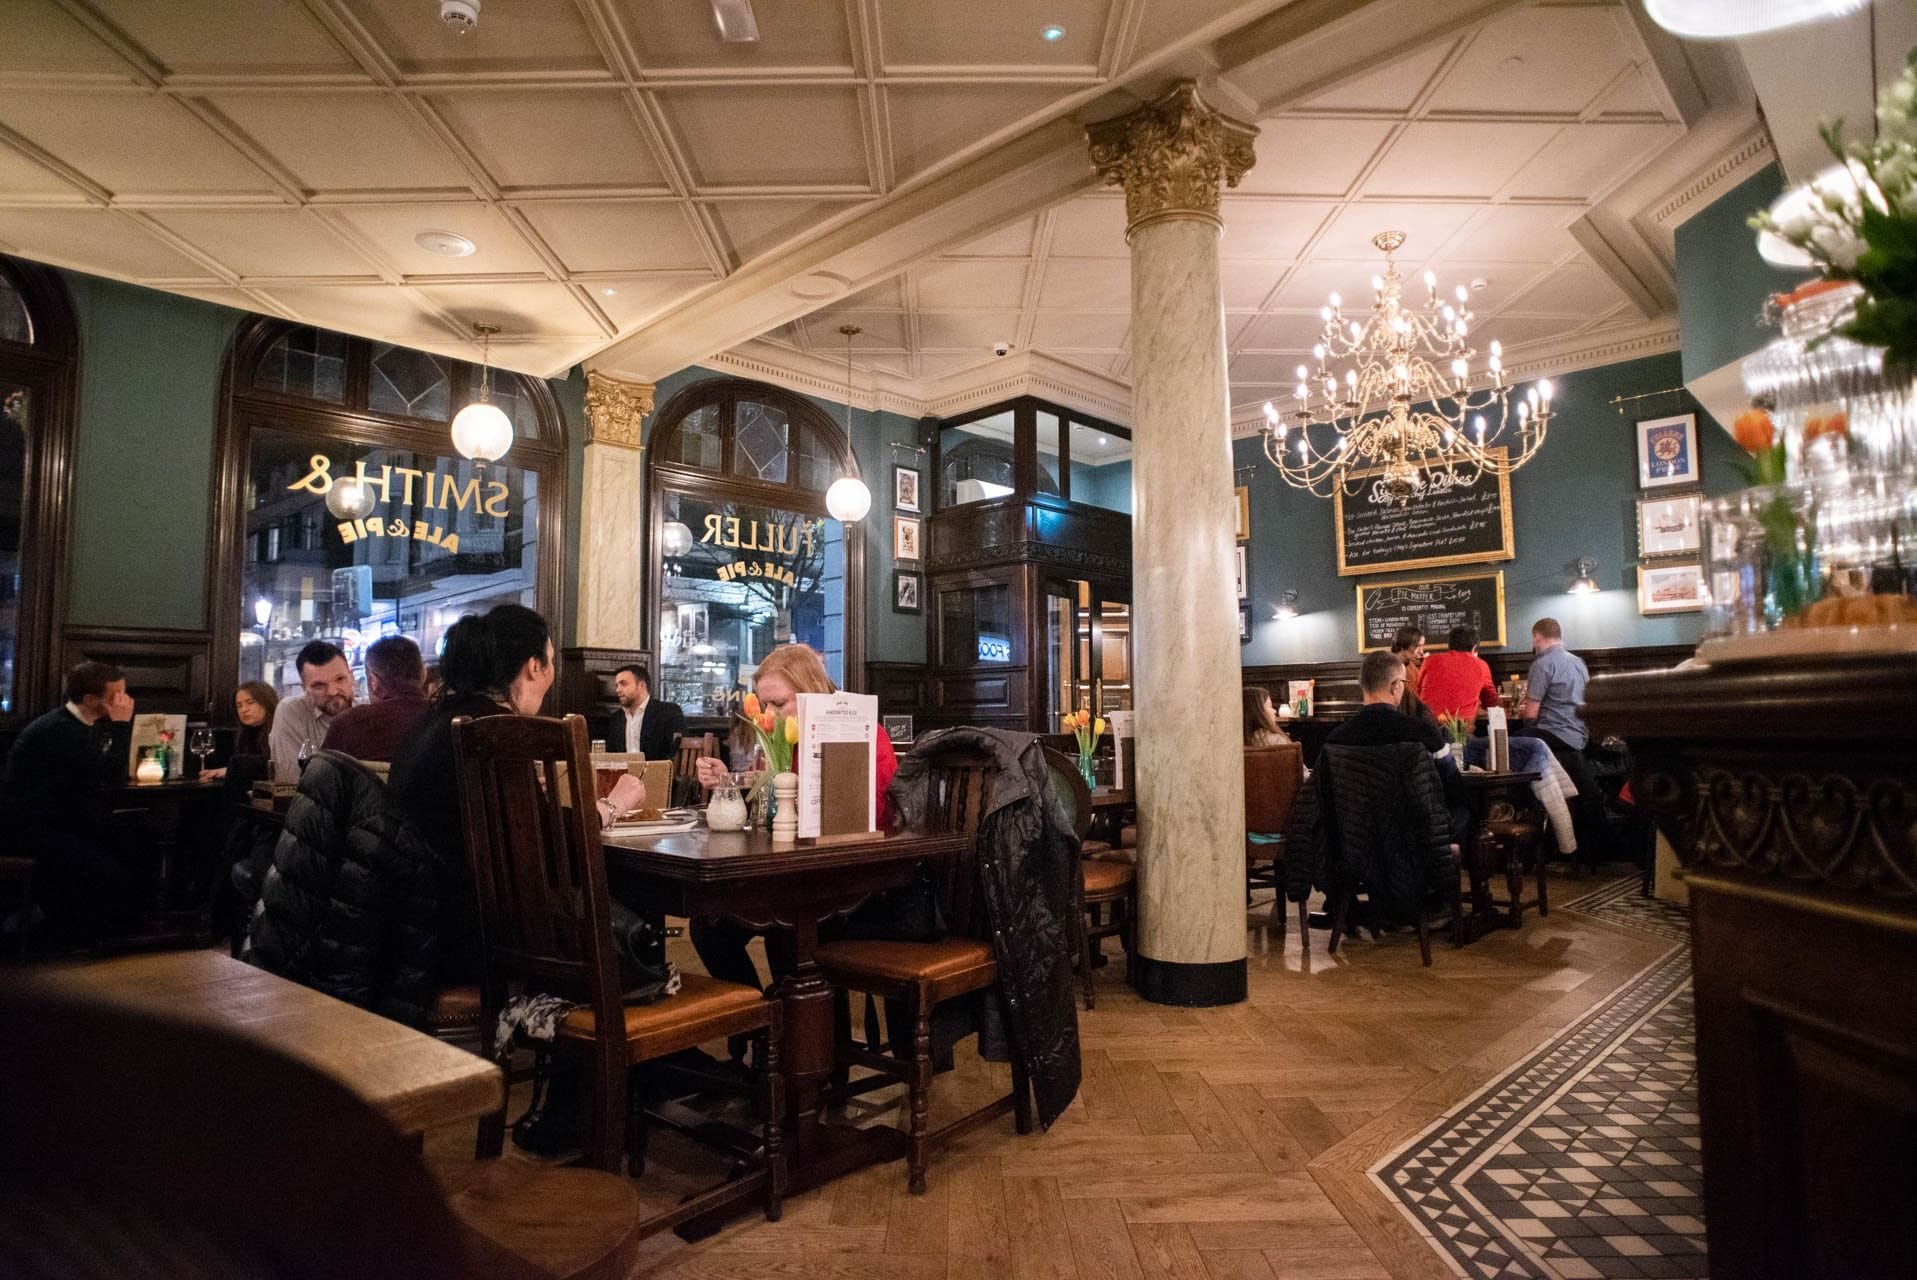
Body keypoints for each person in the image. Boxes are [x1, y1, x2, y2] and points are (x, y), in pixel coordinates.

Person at [691, 644, 898, 993]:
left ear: (811, 693)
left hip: (855, 878)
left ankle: (792, 1013)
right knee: (709, 925)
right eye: (765, 704)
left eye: (779, 703)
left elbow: (877, 816)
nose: (769, 714)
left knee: (785, 927)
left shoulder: (861, 733)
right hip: (795, 875)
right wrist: (728, 780)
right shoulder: (785, 742)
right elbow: (768, 802)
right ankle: (760, 1013)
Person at [1, 661, 142, 943]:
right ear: (89, 700)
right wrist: (121, 725)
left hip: (61, 823)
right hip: (29, 831)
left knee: (134, 843)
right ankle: (78, 935)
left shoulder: (78, 724)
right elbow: (109, 773)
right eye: (116, 696)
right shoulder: (59, 730)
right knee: (110, 870)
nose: (124, 702)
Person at [1326, 649, 1468, 845]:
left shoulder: (1335, 739)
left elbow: (1324, 799)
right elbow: (1454, 786)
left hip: (1353, 842)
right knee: (1467, 808)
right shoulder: (1423, 733)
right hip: (1415, 841)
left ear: (1362, 685)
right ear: (1395, 686)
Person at [1517, 617, 1605, 857]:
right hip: (1580, 737)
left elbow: (1531, 713)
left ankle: (1527, 837)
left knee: (1515, 745)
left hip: (1553, 738)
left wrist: (1524, 718)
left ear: (1537, 637)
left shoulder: (1542, 664)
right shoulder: (1578, 663)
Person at [324, 636, 430, 763]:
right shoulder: (446, 719)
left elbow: (319, 774)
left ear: (373, 681)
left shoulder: (347, 725)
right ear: (424, 674)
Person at [267, 641, 356, 784]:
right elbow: (290, 781)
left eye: (340, 679)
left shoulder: (371, 709)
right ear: (305, 689)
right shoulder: (292, 711)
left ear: (351, 677)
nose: (333, 691)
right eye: (319, 685)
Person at [605, 664, 685, 762]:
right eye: (617, 685)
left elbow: (675, 753)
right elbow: (611, 755)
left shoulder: (668, 712)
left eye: (623, 684)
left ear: (641, 686)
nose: (617, 690)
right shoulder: (617, 718)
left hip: (656, 771)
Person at [1418, 625, 1498, 723]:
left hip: (1427, 726)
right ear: (1474, 648)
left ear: (1449, 645)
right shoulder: (1481, 665)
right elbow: (1491, 702)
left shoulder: (1430, 660)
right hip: (1459, 729)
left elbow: (1419, 691)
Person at [202, 681, 277, 782]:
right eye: (239, 706)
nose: (244, 710)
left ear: (267, 703)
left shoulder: (279, 731)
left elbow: (274, 765)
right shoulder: (242, 734)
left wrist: (230, 770)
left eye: (250, 703)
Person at [1389, 625, 1427, 700]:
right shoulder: (1388, 668)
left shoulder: (1410, 664)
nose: (1421, 652)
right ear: (1403, 645)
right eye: (1417, 646)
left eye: (1422, 646)